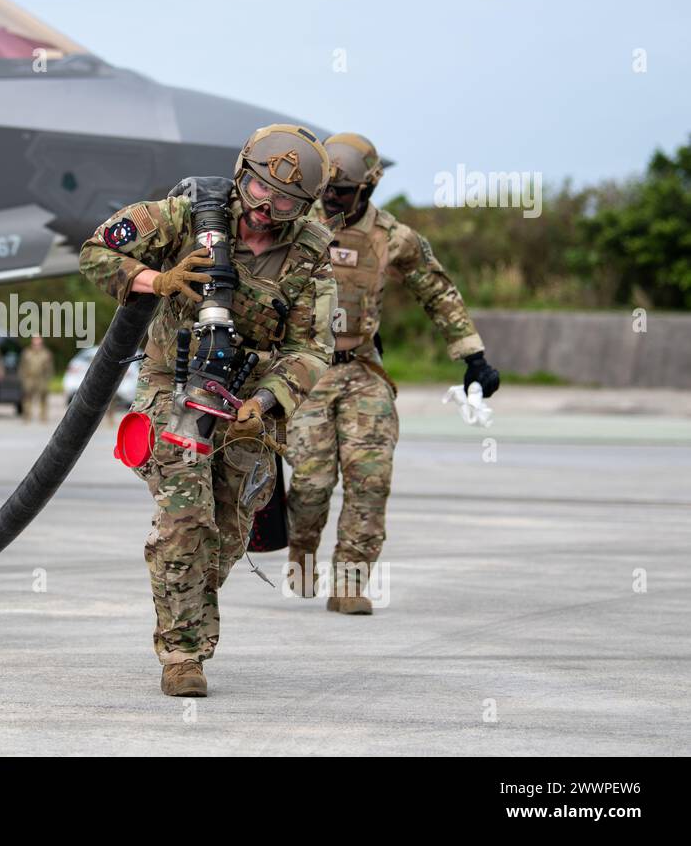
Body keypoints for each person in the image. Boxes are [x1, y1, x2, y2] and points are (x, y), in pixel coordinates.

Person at [79, 124, 337, 697]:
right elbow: (96, 251)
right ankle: (182, 656)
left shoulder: (312, 253)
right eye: (260, 188)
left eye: (286, 200)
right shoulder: (188, 215)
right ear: (242, 172)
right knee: (186, 517)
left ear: (305, 207)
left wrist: (265, 401)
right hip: (173, 388)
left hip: (246, 400)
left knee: (225, 535)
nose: (266, 207)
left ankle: (186, 612)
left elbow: (311, 347)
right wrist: (157, 279)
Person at [285, 132, 501, 614]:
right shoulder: (295, 226)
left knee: (370, 478)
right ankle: (301, 552)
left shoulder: (392, 238)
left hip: (362, 370)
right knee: (310, 484)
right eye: (325, 188)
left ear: (368, 188)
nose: (331, 198)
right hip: (304, 373)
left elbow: (437, 290)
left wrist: (473, 357)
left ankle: (350, 583)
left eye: (342, 192)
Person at [18, 336, 55, 423]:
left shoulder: (46, 353)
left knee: (43, 398)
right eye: (35, 340)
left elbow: (50, 368)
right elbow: (22, 366)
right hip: (29, 378)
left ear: (41, 342)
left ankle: (43, 417)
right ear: (32, 341)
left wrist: (48, 379)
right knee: (27, 398)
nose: (37, 343)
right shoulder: (27, 353)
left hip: (42, 379)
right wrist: (22, 378)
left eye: (38, 340)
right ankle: (27, 416)